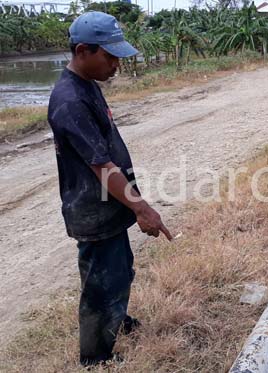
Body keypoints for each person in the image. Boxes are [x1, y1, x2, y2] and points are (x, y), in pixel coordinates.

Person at [47, 11, 172, 366]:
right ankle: (95, 356)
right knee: (102, 283)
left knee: (118, 270)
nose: (117, 63)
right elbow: (102, 166)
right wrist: (142, 208)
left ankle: (117, 320)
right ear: (83, 51)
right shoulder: (70, 101)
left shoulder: (88, 86)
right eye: (110, 55)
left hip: (107, 203)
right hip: (93, 207)